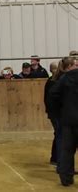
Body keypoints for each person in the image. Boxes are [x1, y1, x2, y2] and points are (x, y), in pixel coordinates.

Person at [47, 57, 78, 186]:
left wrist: (60, 112)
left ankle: (66, 178)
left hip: (68, 119)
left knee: (67, 150)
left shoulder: (63, 79)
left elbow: (52, 94)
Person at [44, 59, 74, 169]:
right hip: (59, 113)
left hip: (57, 113)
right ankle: (62, 165)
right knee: (62, 136)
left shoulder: (54, 79)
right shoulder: (62, 80)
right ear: (68, 66)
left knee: (59, 135)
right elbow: (52, 98)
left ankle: (56, 160)